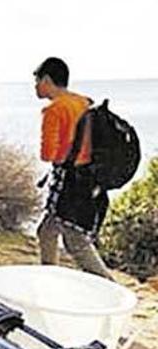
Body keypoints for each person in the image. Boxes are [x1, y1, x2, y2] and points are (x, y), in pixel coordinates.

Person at [33, 57, 113, 280]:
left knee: (76, 243)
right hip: (88, 180)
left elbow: (48, 154)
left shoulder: (54, 110)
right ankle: (50, 279)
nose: (35, 86)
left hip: (68, 185)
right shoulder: (83, 102)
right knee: (47, 232)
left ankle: (110, 286)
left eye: (37, 80)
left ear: (47, 80)